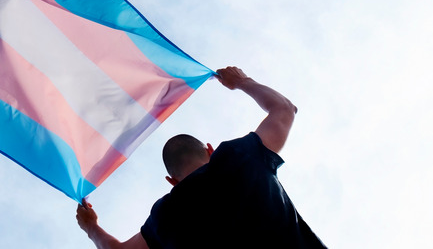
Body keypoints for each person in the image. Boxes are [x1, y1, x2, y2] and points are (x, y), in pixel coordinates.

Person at [76, 66, 326, 248]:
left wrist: (91, 227)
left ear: (172, 181)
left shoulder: (165, 216)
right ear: (210, 149)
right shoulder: (240, 156)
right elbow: (284, 109)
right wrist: (241, 81)